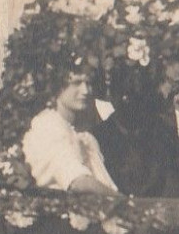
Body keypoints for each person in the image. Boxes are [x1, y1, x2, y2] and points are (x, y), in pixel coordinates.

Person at [23, 63, 118, 195]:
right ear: (57, 86)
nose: (86, 90)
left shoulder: (80, 132)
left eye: (88, 83)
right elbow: (77, 181)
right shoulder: (47, 126)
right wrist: (125, 204)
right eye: (76, 83)